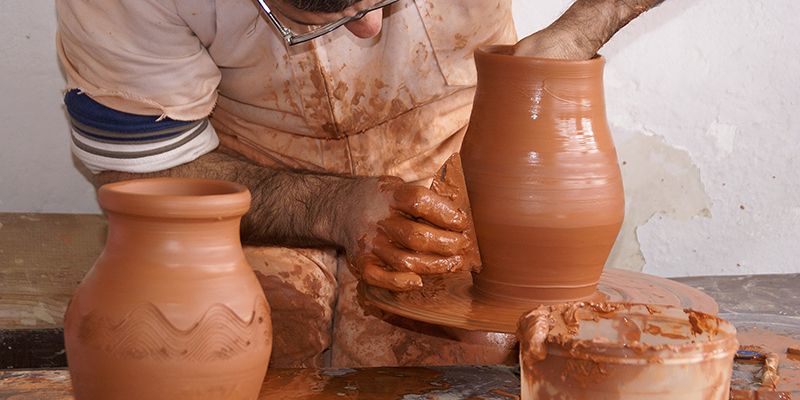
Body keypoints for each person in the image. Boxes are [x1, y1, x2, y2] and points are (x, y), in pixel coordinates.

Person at [56, 0, 664, 367]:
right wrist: (331, 207)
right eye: (313, 19)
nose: (370, 27)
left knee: (482, 360)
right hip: (253, 181)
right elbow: (143, 166)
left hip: (449, 173)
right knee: (209, 340)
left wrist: (583, 27)